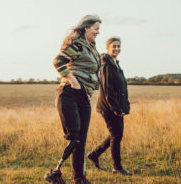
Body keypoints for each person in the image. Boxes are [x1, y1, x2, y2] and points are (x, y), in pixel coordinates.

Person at [44, 15, 101, 184]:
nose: (98, 32)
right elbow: (58, 61)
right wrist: (73, 80)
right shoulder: (77, 44)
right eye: (96, 29)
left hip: (84, 96)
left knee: (81, 141)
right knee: (74, 137)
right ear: (86, 28)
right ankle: (54, 174)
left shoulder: (91, 47)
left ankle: (79, 178)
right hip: (69, 94)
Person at [87, 37, 132, 175]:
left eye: (118, 46)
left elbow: (121, 87)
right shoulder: (106, 65)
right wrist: (116, 109)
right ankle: (117, 167)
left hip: (116, 106)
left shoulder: (115, 63)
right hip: (108, 107)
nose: (117, 49)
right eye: (114, 46)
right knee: (116, 135)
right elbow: (107, 90)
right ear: (107, 48)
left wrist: (125, 105)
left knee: (116, 135)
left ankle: (95, 154)